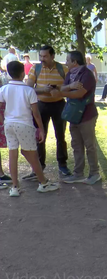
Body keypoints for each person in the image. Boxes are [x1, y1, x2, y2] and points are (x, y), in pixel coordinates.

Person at [0, 61, 60, 196]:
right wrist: (41, 129)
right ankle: (43, 183)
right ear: (23, 73)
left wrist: (3, 121)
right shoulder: (28, 90)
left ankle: (15, 187)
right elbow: (36, 113)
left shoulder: (3, 89)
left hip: (9, 124)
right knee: (32, 154)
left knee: (12, 154)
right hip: (25, 124)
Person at [49, 51, 101, 185]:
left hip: (87, 115)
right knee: (76, 145)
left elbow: (79, 93)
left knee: (89, 145)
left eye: (67, 60)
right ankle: (78, 173)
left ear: (75, 62)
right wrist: (68, 87)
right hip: (73, 115)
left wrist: (60, 93)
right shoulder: (70, 74)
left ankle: (94, 173)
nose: (65, 62)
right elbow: (64, 88)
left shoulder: (87, 75)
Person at [25, 45, 71, 179]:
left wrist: (58, 89)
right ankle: (39, 166)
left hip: (59, 105)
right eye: (40, 56)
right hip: (41, 105)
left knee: (61, 136)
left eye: (45, 56)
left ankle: (62, 164)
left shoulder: (63, 69)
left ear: (52, 56)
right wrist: (42, 90)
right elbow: (29, 89)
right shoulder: (35, 68)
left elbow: (70, 87)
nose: (42, 59)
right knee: (40, 136)